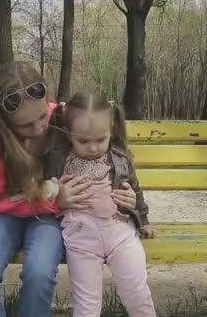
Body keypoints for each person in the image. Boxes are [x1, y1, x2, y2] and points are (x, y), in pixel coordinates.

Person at [0, 62, 137, 317]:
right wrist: (55, 201)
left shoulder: (64, 117)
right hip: (5, 212)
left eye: (42, 116)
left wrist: (126, 195)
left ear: (49, 101)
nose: (39, 128)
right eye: (25, 126)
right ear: (3, 121)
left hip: (50, 215)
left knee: (40, 272)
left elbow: (104, 152)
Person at [43, 92, 157, 317]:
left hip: (120, 233)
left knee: (137, 294)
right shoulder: (58, 160)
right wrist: (54, 196)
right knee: (86, 305)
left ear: (111, 132)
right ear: (68, 135)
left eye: (100, 140)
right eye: (83, 141)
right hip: (81, 238)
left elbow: (134, 189)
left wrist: (142, 219)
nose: (93, 148)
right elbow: (42, 190)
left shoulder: (120, 158)